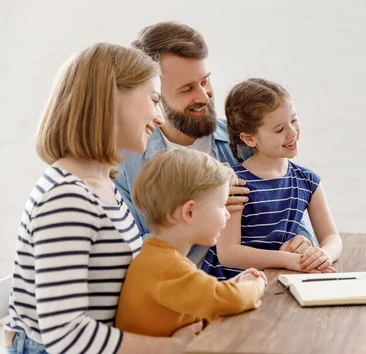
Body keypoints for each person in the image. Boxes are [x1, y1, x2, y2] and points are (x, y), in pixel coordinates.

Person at [4, 43, 202, 354]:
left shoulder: (102, 184)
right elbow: (65, 336)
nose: (160, 118)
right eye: (153, 100)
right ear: (110, 97)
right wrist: (171, 347)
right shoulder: (66, 198)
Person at [114, 22, 315, 267]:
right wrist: (194, 223)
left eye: (205, 81)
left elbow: (291, 203)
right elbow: (124, 253)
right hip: (175, 297)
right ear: (154, 95)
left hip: (255, 289)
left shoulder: (244, 142)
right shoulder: (124, 164)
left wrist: (302, 240)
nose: (203, 96)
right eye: (187, 89)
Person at [202, 78, 343, 280]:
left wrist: (324, 254)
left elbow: (332, 237)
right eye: (279, 129)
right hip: (232, 287)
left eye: (293, 120)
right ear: (249, 139)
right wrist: (288, 260)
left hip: (279, 282)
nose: (292, 132)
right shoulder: (235, 183)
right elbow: (228, 254)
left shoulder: (308, 181)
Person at [115, 148, 266, 336]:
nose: (227, 213)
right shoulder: (165, 267)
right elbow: (227, 300)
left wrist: (232, 285)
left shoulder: (160, 257)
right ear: (189, 212)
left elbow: (203, 301)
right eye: (221, 205)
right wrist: (254, 286)